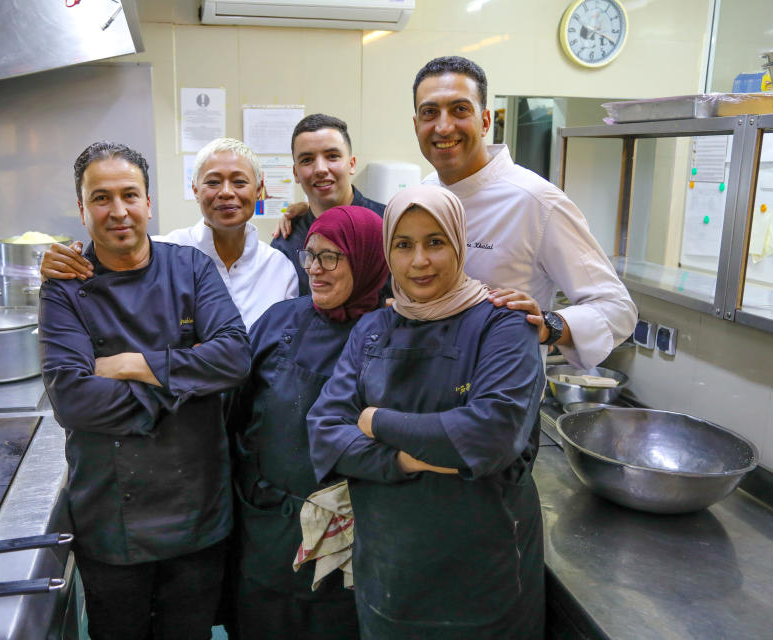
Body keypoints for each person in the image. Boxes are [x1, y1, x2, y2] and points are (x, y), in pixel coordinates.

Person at [307, 184, 546, 639]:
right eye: (404, 244)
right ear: (387, 253)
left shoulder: (504, 325)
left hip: (486, 577)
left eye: (435, 242)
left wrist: (373, 420)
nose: (419, 261)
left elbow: (490, 434)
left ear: (458, 242)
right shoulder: (374, 329)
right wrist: (402, 459)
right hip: (389, 571)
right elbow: (324, 430)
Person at [39, 141, 251, 640]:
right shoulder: (65, 288)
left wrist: (135, 364)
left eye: (130, 195)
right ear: (81, 208)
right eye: (101, 198)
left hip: (196, 511)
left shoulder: (191, 269)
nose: (118, 211)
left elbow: (235, 357)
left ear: (149, 202)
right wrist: (182, 386)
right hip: (112, 520)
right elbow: (73, 399)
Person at [225, 205, 389, 640]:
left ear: (369, 258)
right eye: (310, 255)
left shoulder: (394, 336)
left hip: (348, 539)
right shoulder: (281, 319)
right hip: (267, 530)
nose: (315, 269)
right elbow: (235, 412)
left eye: (331, 257)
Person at [412, 55, 637, 369]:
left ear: (485, 121)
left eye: (460, 109)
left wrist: (547, 325)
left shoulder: (537, 202)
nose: (444, 125)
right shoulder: (422, 193)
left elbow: (617, 309)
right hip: (424, 395)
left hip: (502, 401)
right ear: (416, 124)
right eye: (430, 112)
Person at [41, 137, 298, 329]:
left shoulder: (279, 269)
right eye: (213, 182)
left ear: (259, 190)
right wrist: (57, 270)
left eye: (239, 182)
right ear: (195, 189)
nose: (227, 192)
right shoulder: (160, 254)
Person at [271, 114, 385, 295]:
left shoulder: (389, 226)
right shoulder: (286, 242)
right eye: (307, 160)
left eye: (332, 156)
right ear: (295, 173)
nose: (321, 169)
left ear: (351, 164)